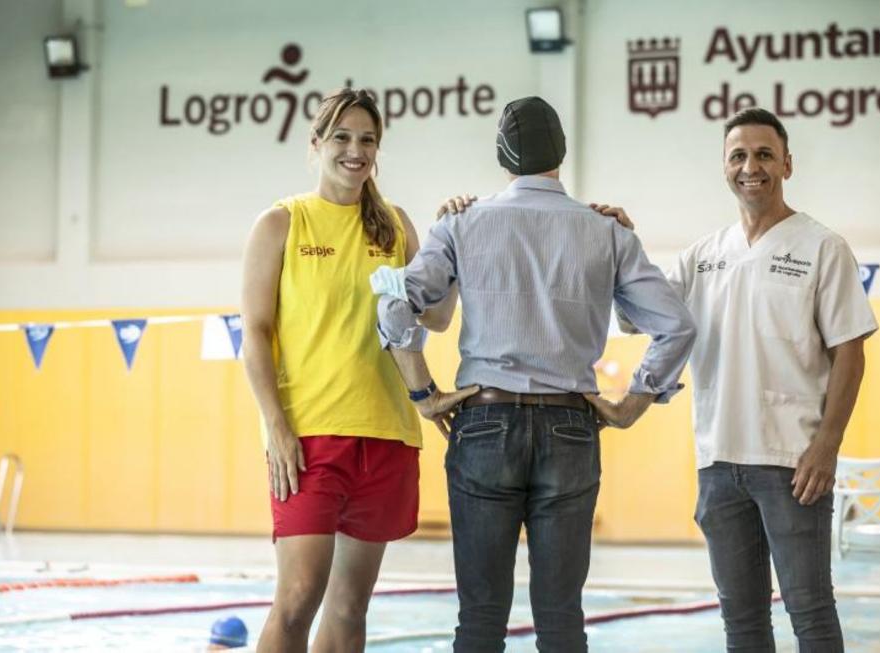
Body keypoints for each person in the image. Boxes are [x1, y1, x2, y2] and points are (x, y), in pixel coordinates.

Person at [373, 96, 696, 652]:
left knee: (479, 617)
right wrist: (632, 403)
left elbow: (393, 305)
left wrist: (424, 393)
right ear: (562, 153)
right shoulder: (607, 231)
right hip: (571, 425)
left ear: (502, 155)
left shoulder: (462, 223)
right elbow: (676, 326)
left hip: (483, 422)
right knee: (561, 616)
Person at [594, 108, 877, 652]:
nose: (752, 166)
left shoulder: (823, 248)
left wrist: (826, 446)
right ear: (725, 168)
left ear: (787, 164)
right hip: (718, 465)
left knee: (811, 612)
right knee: (742, 622)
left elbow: (850, 353)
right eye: (739, 156)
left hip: (793, 464)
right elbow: (639, 314)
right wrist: (622, 241)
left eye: (764, 154)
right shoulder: (702, 257)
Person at [240, 88, 474, 653]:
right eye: (342, 138)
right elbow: (255, 333)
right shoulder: (281, 223)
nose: (355, 150)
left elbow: (438, 316)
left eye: (367, 140)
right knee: (298, 598)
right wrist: (275, 426)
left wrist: (455, 239)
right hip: (309, 437)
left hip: (386, 433)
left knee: (349, 608)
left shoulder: (393, 226)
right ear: (316, 144)